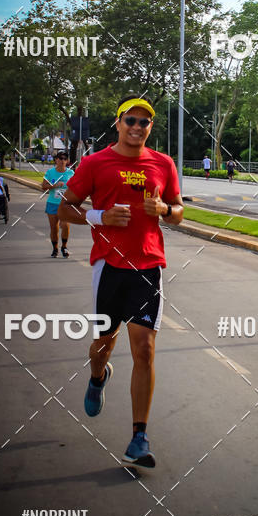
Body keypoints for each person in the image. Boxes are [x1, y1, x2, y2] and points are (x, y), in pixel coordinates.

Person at [58, 95, 184, 467]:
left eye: (144, 122)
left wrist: (164, 209)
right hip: (109, 268)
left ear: (150, 128)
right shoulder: (96, 163)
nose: (137, 127)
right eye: (130, 120)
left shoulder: (163, 164)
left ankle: (139, 438)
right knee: (103, 345)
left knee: (144, 348)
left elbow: (179, 211)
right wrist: (99, 216)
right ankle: (98, 377)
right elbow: (64, 206)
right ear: (118, 123)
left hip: (148, 267)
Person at [42, 152, 74, 257]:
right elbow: (43, 186)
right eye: (60, 158)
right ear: (56, 160)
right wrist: (55, 185)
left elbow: (76, 187)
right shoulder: (50, 172)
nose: (62, 161)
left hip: (66, 204)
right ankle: (55, 248)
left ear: (67, 161)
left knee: (65, 225)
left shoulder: (71, 173)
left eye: (65, 159)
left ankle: (64, 247)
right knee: (54, 228)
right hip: (52, 203)